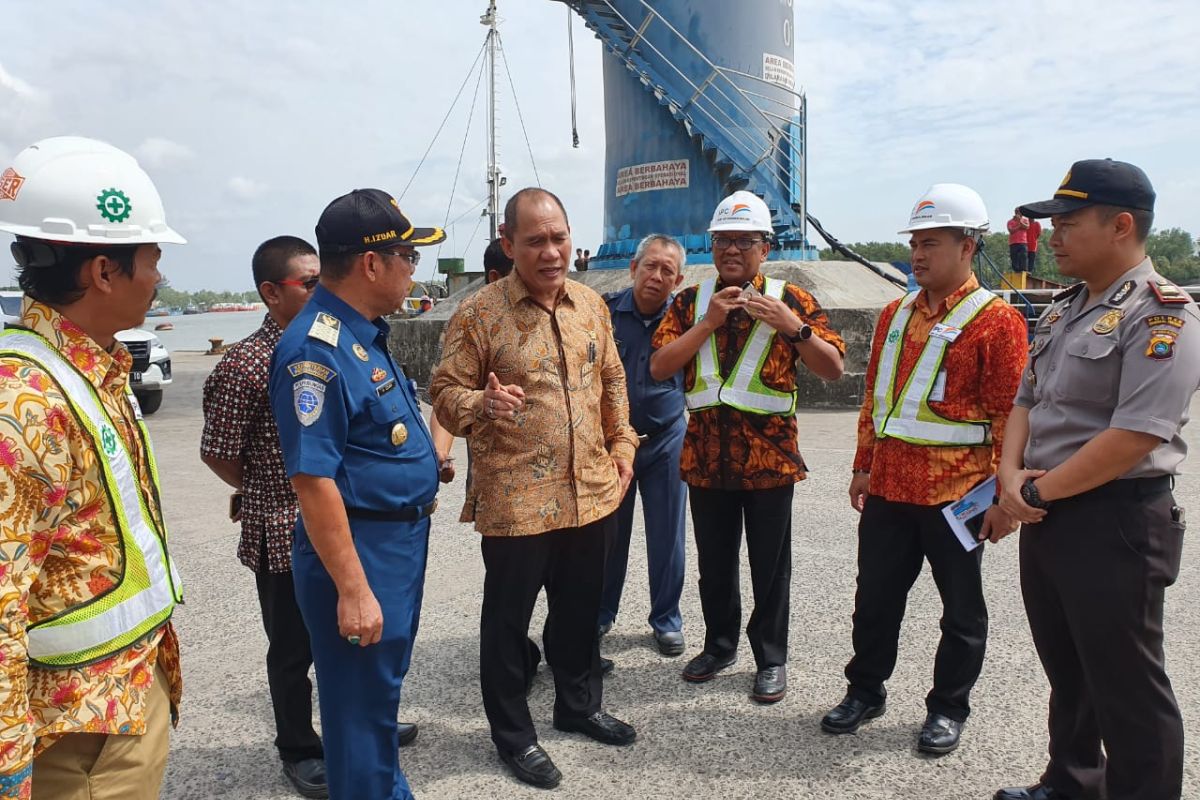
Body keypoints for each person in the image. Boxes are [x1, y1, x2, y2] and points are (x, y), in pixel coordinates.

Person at [993, 160, 1200, 800]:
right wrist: (1007, 476)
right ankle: (1073, 782)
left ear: (1120, 225)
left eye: (1068, 222)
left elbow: (1136, 434)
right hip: (1046, 511)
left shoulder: (1163, 314)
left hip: (1115, 520)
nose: (1051, 235)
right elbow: (1027, 401)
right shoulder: (1062, 309)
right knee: (1071, 670)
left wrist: (1033, 492)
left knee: (1129, 686)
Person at [431, 187, 638, 791]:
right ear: (508, 245)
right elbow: (444, 394)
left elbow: (612, 378)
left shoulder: (592, 305)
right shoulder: (479, 314)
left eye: (558, 238)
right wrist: (482, 403)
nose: (550, 252)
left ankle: (578, 706)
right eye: (535, 241)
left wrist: (623, 446)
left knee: (577, 615)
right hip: (517, 501)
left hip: (591, 494)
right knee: (505, 624)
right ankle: (515, 738)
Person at [0, 136, 185, 799]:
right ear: (102, 272)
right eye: (151, 260)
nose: (159, 278)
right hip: (77, 734)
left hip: (122, 699)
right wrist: (9, 769)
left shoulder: (93, 364)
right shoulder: (23, 404)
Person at [819, 184, 1028, 754]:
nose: (917, 254)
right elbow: (874, 400)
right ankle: (865, 691)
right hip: (889, 489)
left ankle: (947, 708)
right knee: (875, 601)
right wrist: (863, 465)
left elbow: (1011, 416)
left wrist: (1006, 498)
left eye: (930, 243)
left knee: (961, 611)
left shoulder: (997, 322)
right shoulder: (894, 313)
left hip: (957, 496)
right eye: (914, 242)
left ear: (968, 246)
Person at [268, 189, 444, 800]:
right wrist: (353, 588)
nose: (413, 270)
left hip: (392, 542)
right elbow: (313, 480)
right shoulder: (315, 349)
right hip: (361, 551)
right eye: (409, 257)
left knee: (376, 702)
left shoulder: (360, 334)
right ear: (372, 264)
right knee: (360, 716)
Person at [203, 235, 391, 799]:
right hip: (284, 530)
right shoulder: (245, 364)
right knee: (292, 649)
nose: (320, 291)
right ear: (269, 292)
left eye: (321, 279)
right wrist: (261, 486)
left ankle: (357, 730)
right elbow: (218, 451)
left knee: (357, 635)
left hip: (345, 525)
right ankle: (299, 746)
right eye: (308, 283)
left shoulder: (333, 344)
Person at [649, 190, 845, 705]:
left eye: (743, 241)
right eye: (722, 241)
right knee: (714, 562)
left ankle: (771, 658)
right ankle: (719, 646)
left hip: (770, 461)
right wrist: (707, 323)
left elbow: (833, 367)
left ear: (765, 246)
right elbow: (659, 366)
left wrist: (792, 327)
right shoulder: (691, 301)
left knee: (770, 565)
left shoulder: (793, 299)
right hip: (706, 457)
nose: (731, 250)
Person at [599, 234, 688, 656]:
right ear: (633, 268)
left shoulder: (685, 321)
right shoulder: (604, 313)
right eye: (649, 266)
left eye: (666, 271)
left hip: (666, 437)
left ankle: (666, 619)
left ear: (678, 279)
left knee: (667, 532)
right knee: (606, 532)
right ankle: (600, 614)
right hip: (612, 443)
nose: (656, 276)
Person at [1008, 208, 1031, 272]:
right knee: (1014, 257)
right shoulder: (1010, 221)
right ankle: (1016, 270)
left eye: (1018, 212)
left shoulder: (1025, 220)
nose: (1017, 213)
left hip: (1023, 241)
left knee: (1023, 256)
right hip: (1013, 242)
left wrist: (1019, 221)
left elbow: (1027, 227)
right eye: (1016, 211)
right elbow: (1011, 230)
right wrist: (1019, 227)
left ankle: (1024, 270)